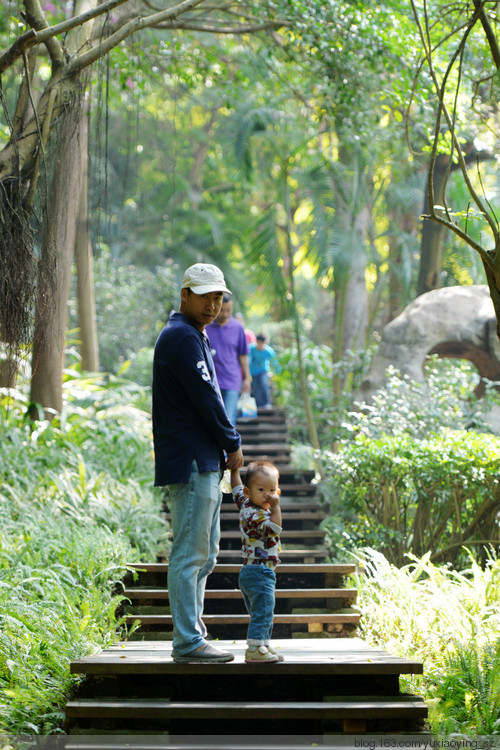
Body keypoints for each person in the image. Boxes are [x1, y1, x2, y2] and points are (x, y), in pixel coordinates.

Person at [152, 262, 244, 664]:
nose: (212, 304)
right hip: (191, 461)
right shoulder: (182, 337)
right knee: (190, 555)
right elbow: (209, 398)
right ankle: (188, 642)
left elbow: (209, 398)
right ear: (185, 295)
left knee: (205, 555)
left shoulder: (194, 336)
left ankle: (194, 636)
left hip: (203, 460)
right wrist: (233, 442)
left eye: (218, 296)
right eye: (204, 295)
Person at [230, 460, 284, 663]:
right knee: (263, 611)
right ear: (249, 491)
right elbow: (274, 530)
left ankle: (263, 644)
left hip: (252, 571)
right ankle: (254, 648)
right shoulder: (257, 515)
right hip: (260, 572)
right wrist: (277, 508)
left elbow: (236, 489)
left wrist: (235, 470)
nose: (267, 495)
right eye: (261, 490)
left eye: (272, 490)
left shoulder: (244, 504)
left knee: (264, 611)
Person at [206, 295, 251, 425]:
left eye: (229, 310)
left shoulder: (237, 328)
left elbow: (243, 355)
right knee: (213, 420)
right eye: (222, 310)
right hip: (211, 381)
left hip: (232, 380)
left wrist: (247, 378)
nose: (225, 314)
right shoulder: (206, 327)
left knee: (229, 420)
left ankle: (229, 446)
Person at [249, 333, 279, 409]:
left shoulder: (269, 351)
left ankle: (266, 403)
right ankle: (259, 404)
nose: (261, 345)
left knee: (263, 385)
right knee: (256, 387)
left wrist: (275, 373)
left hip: (263, 371)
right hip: (253, 372)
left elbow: (275, 362)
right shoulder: (251, 349)